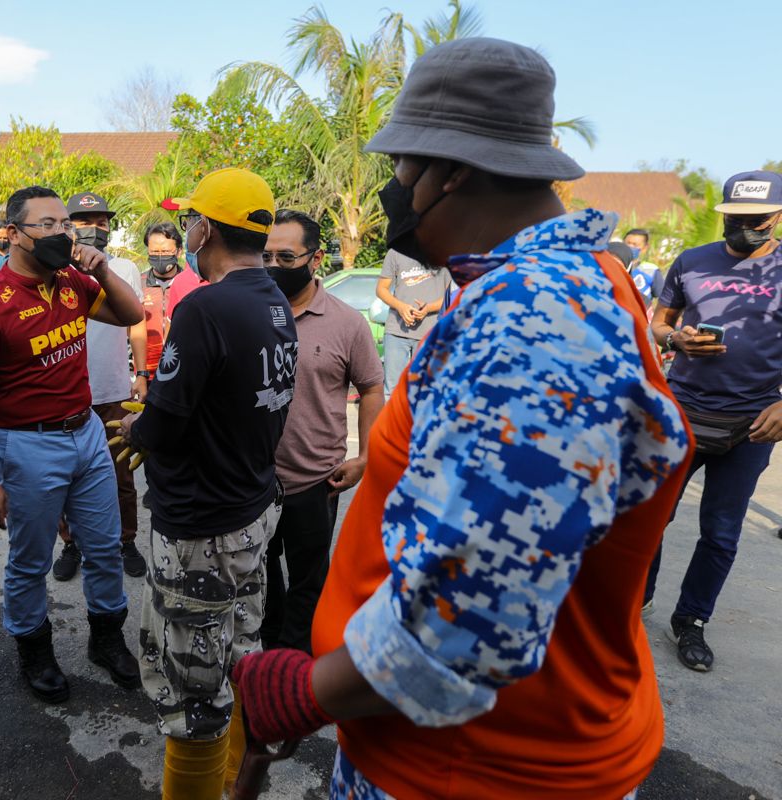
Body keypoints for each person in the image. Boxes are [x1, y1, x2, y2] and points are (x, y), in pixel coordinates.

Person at [231, 39, 692, 800]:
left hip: (474, 770)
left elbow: (465, 621)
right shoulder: (569, 283)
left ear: (451, 172)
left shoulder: (534, 324)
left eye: (402, 168)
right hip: (477, 751)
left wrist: (309, 690)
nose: (392, 189)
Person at [116, 167, 296, 800]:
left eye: (189, 218)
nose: (185, 228)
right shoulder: (274, 299)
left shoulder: (205, 307)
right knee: (242, 650)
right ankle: (234, 783)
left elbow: (164, 424)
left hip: (201, 527)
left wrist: (139, 431)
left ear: (205, 228)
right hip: (251, 510)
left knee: (192, 688)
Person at [0, 186, 145, 705]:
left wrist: (102, 270)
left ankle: (107, 640)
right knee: (30, 559)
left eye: (66, 224)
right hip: (27, 445)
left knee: (104, 548)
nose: (64, 233)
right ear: (13, 234)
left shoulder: (73, 283)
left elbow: (129, 316)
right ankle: (34, 650)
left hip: (87, 434)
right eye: (49, 225)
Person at [642, 170, 782, 671]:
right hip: (682, 412)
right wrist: (673, 339)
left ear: (778, 217)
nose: (744, 226)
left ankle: (692, 621)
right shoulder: (692, 260)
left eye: (756, 219)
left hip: (751, 425)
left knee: (721, 532)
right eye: (735, 217)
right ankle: (638, 602)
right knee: (652, 516)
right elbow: (658, 322)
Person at [260, 209, 385, 654]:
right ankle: (269, 648)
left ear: (315, 260)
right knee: (260, 570)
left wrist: (365, 456)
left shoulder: (347, 323)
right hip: (253, 478)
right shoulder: (247, 311)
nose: (273, 265)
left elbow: (372, 388)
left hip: (317, 480)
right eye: (267, 255)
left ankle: (295, 665)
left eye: (286, 257)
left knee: (309, 576)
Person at [52, 192, 150, 581]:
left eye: (103, 221)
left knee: (121, 474)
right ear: (67, 225)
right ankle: (71, 543)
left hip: (113, 391)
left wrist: (141, 374)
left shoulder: (123, 269)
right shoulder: (54, 269)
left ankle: (126, 541)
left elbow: (136, 323)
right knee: (66, 476)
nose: (95, 228)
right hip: (67, 395)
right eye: (84, 220)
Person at [374, 247, 452, 399]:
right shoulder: (396, 252)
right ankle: (393, 423)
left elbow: (452, 293)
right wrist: (400, 307)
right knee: (392, 389)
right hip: (396, 331)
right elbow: (381, 289)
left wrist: (428, 308)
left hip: (430, 332)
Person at [140, 221, 201, 379]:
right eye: (154, 251)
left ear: (179, 252)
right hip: (145, 374)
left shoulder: (191, 284)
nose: (160, 256)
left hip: (181, 372)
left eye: (166, 251)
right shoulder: (138, 284)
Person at [623, 227, 662, 303]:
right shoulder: (611, 266)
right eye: (628, 243)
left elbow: (661, 298)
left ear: (645, 248)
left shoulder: (651, 271)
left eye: (635, 244)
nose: (630, 247)